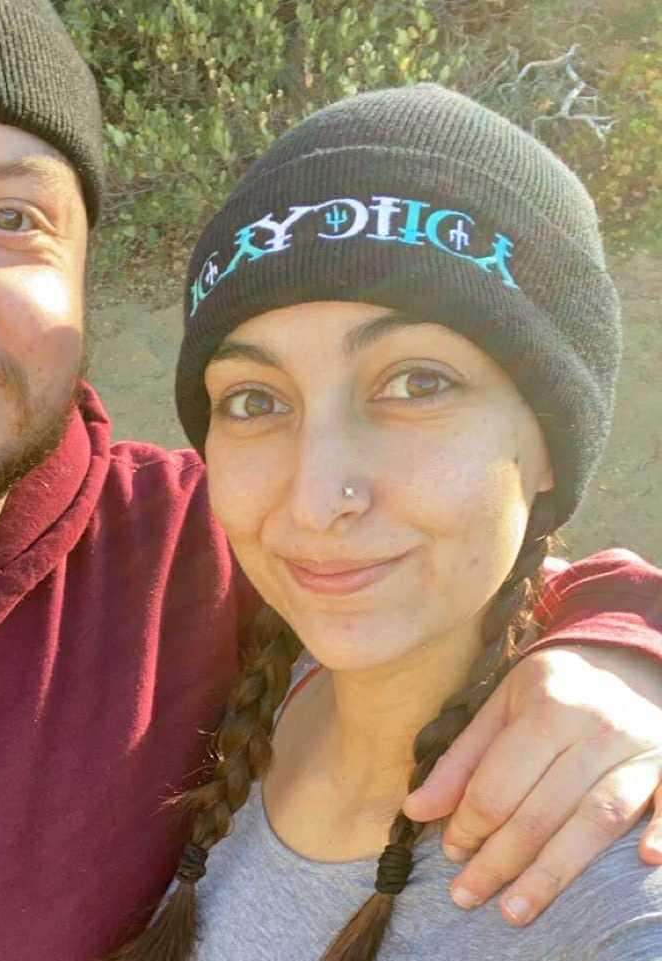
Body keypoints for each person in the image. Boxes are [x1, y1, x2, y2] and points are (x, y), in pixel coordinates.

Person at [0, 4, 659, 960]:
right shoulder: (251, 547)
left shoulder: (204, 549)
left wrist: (620, 645)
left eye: (13, 218)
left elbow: (481, 561)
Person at [108, 85, 662, 961]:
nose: (316, 497)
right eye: (255, 400)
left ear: (550, 444)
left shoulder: (617, 896)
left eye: (417, 384)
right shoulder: (256, 674)